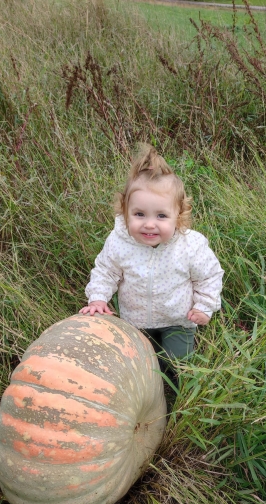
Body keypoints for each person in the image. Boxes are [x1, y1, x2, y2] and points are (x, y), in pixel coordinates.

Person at [79, 145, 224, 393]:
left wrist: (204, 307)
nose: (149, 224)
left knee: (179, 364)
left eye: (161, 216)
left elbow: (209, 277)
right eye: (139, 214)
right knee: (140, 368)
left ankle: (178, 396)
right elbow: (106, 271)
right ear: (125, 211)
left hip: (178, 319)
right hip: (135, 322)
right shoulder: (119, 242)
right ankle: (145, 395)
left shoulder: (190, 246)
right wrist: (98, 298)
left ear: (179, 214)